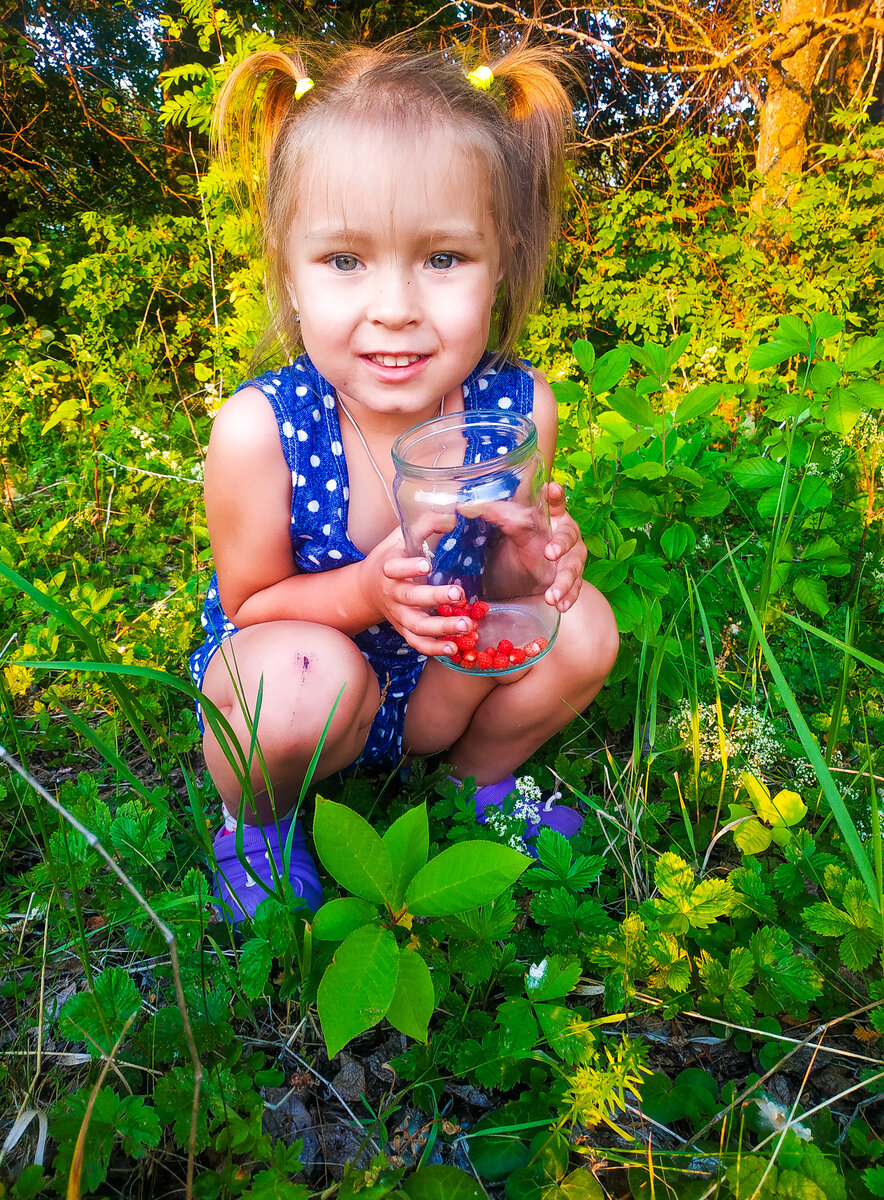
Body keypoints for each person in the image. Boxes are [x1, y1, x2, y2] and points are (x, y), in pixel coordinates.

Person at [189, 41, 619, 922]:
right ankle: (257, 824)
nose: (395, 306)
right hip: (304, 667)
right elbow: (253, 605)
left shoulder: (513, 406)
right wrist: (367, 589)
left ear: (501, 259)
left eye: (443, 258)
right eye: (346, 260)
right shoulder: (261, 430)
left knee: (583, 626)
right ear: (291, 271)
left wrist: (529, 563)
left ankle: (472, 789)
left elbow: (501, 584)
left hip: (437, 689)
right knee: (303, 681)